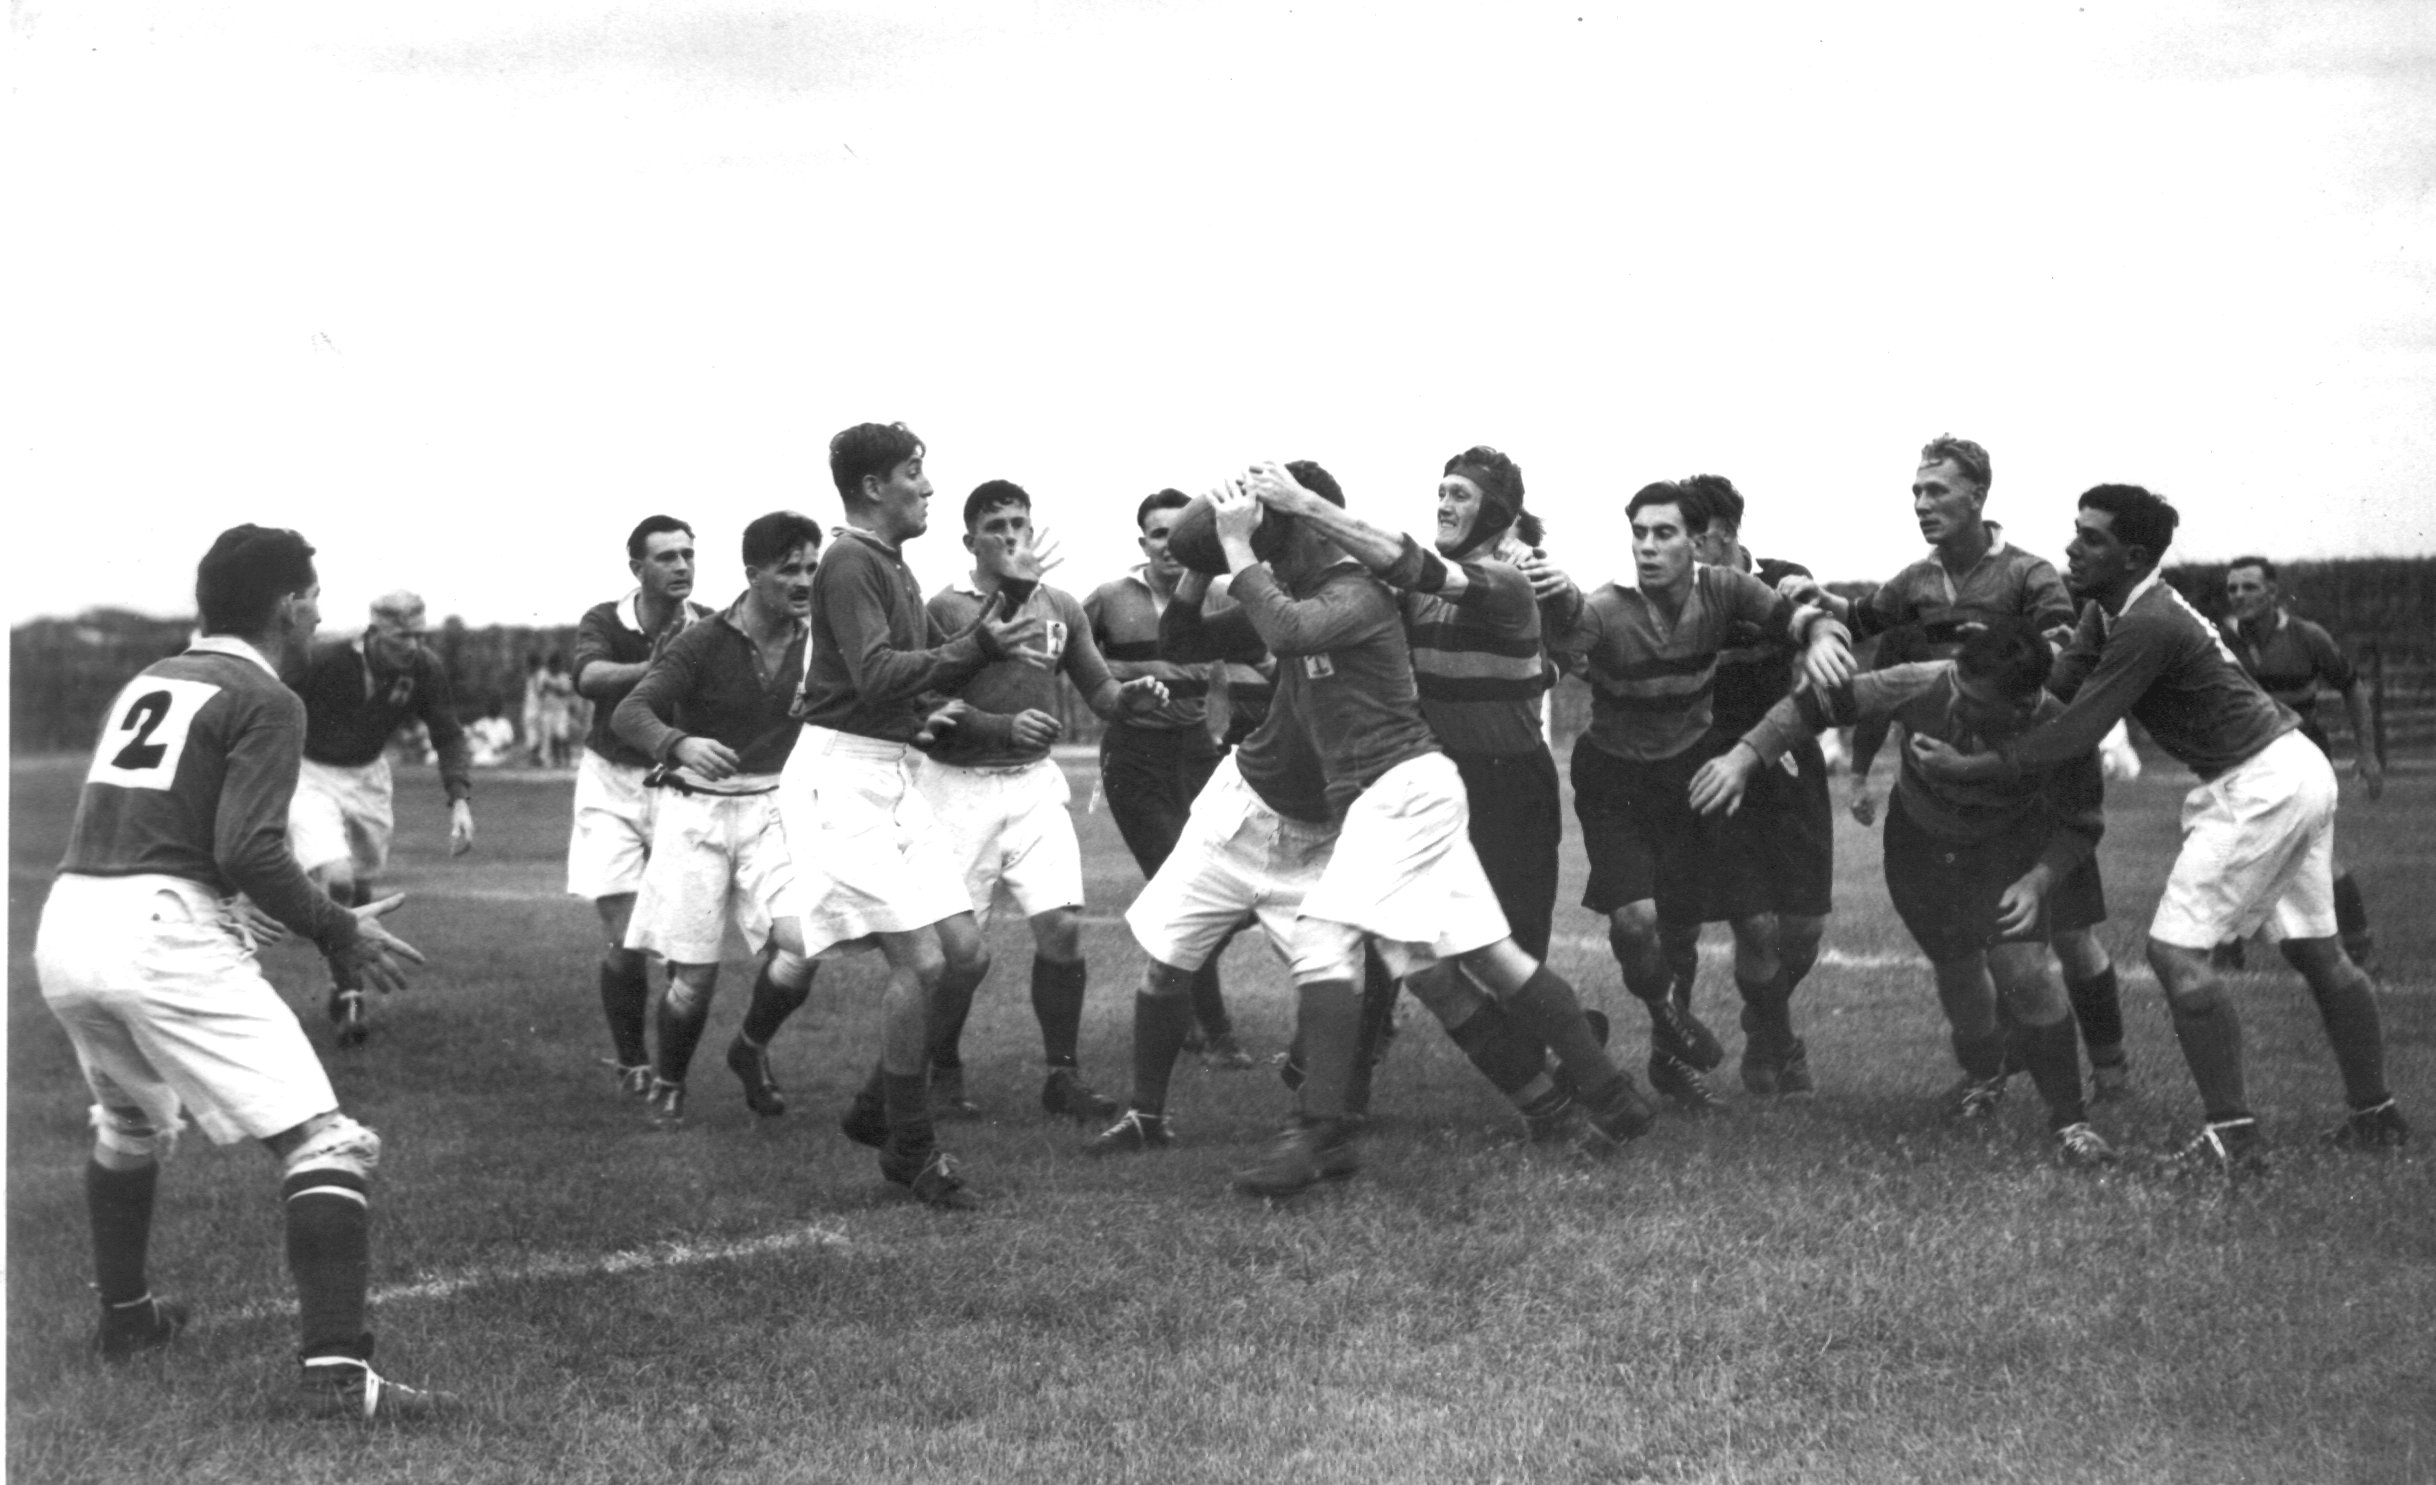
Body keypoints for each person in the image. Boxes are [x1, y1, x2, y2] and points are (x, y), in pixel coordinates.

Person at [34, 524, 443, 1418]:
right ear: (288, 605)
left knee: (130, 1121)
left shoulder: (153, 677)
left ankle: (127, 1319)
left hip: (69, 924)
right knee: (325, 1142)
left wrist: (269, 916)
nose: (320, 617)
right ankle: (337, 1379)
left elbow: (173, 839)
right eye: (315, 600)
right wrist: (338, 928)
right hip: (160, 932)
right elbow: (246, 849)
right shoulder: (268, 695)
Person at [1911, 484, 2408, 1172]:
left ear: (2134, 556)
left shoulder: (2146, 623)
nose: (2071, 548)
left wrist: (1969, 767)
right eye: (2076, 531)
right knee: (2317, 951)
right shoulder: (2108, 610)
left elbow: (2076, 730)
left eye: (2092, 538)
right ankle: (2376, 1116)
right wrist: (1999, 659)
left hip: (2261, 780)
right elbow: (2056, 686)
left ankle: (2232, 1140)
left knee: (2177, 953)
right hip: (2290, 766)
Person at [1210, 464, 1656, 1195]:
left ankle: (1320, 1130)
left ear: (1499, 515)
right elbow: (1340, 595)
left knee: (1333, 937)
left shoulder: (1503, 581)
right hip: (1431, 774)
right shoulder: (1402, 587)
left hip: (1485, 782)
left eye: (1462, 495)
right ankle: (1599, 1099)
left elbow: (1407, 566)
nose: (1444, 503)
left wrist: (1298, 507)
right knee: (1447, 963)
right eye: (1441, 491)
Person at [1693, 621, 2118, 1165]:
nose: (1956, 703)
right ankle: (1983, 1078)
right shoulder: (1922, 680)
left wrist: (2039, 880)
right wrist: (1743, 758)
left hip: (2007, 849)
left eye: (1974, 701)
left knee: (2025, 971)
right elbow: (1812, 705)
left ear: (2022, 704)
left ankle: (2071, 1123)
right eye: (1957, 687)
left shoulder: (2062, 725)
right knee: (1958, 970)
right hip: (1920, 843)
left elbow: (2082, 823)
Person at [1785, 436, 2131, 1103]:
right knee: (1996, 948)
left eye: (1936, 490)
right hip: (1956, 793)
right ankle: (1992, 1075)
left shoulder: (2029, 575)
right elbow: (1860, 618)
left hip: (2030, 785)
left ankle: (2111, 1069)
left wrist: (1998, 668)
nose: (1921, 503)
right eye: (1916, 491)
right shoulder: (1916, 580)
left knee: (2072, 933)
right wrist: (1814, 595)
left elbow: (2059, 653)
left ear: (1977, 495)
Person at [784, 422, 1047, 1209]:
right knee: (922, 963)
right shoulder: (849, 562)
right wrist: (981, 648)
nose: (927, 487)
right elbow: (877, 676)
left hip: (891, 776)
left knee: (966, 954)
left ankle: (879, 1104)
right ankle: (910, 1144)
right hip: (842, 778)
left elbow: (936, 674)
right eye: (912, 473)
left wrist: (1010, 604)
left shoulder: (891, 565)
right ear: (874, 487)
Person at [1547, 482, 1852, 1101]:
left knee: (1774, 927)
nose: (1649, 546)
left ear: (1703, 540)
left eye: (1666, 533)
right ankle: (1672, 1032)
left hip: (1727, 766)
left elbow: (1810, 619)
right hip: (1644, 773)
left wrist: (1824, 637)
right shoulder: (1608, 607)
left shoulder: (1741, 587)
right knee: (1655, 924)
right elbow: (1558, 650)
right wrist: (1552, 617)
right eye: (1640, 533)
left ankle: (1766, 1036)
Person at [916, 479, 1170, 1124]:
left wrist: (1129, 698)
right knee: (959, 956)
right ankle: (941, 1069)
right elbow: (925, 701)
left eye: (1020, 524)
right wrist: (997, 726)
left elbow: (1099, 689)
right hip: (956, 790)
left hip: (1033, 785)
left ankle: (1063, 1075)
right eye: (996, 526)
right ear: (969, 540)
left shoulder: (1060, 605)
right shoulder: (943, 608)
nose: (1011, 536)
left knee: (1061, 928)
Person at [612, 512, 824, 1129]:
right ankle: (670, 1082)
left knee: (806, 943)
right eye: (789, 569)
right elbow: (631, 713)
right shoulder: (703, 640)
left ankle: (749, 1048)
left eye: (812, 568)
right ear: (752, 574)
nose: (804, 581)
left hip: (774, 811)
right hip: (696, 813)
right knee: (694, 980)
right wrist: (678, 742)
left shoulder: (820, 644)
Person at [1656, 474, 1834, 1107]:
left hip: (1788, 764)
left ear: (1725, 533)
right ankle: (1777, 1046)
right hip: (1718, 771)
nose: (1677, 549)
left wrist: (1816, 617)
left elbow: (1818, 626)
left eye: (1690, 536)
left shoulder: (1782, 580)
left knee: (1803, 931)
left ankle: (1764, 1020)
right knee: (1755, 925)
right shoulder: (1676, 597)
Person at [1084, 490, 1257, 1068]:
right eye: (1159, 534)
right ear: (1144, 542)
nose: (1170, 546)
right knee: (1187, 891)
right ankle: (1216, 1032)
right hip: (1134, 759)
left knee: (1229, 892)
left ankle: (1170, 985)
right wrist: (1115, 686)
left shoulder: (1218, 595)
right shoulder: (1109, 598)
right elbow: (1070, 657)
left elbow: (1250, 660)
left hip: (1198, 755)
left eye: (1180, 534)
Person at [286, 589, 476, 1046]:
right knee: (337, 877)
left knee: (360, 884)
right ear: (373, 632)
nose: (412, 646)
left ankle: (344, 977)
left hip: (369, 776)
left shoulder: (424, 667)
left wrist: (460, 799)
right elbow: (274, 707)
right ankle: (349, 991)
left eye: (419, 636)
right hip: (310, 772)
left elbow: (448, 734)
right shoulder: (325, 661)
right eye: (400, 638)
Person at [569, 515, 716, 1096]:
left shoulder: (708, 624)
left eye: (687, 555)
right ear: (637, 568)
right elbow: (589, 676)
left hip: (678, 785)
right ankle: (632, 1060)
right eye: (666, 557)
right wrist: (656, 666)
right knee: (627, 938)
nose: (681, 566)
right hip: (610, 783)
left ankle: (670, 1071)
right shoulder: (605, 619)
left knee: (681, 943)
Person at [2220, 556, 2385, 974]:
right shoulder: (2219, 640)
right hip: (2243, 762)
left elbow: (2352, 687)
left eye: (2249, 586)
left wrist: (2367, 753)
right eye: (2233, 588)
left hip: (2303, 759)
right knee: (2229, 848)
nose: (2239, 595)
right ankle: (2225, 951)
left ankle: (2360, 950)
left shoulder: (2307, 637)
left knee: (2314, 855)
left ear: (2272, 592)